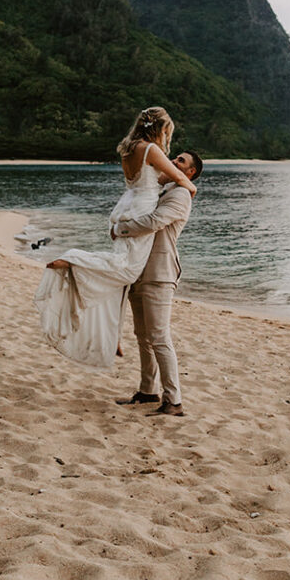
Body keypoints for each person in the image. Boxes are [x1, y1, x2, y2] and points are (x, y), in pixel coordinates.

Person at [33, 107, 196, 369]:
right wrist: (192, 188)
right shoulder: (151, 150)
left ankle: (112, 335)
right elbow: (176, 176)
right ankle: (74, 260)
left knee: (121, 268)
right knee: (127, 269)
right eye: (167, 132)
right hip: (141, 210)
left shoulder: (130, 150)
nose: (167, 138)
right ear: (160, 129)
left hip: (127, 207)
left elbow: (154, 178)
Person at [114, 151, 202, 416]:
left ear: (190, 173)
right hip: (139, 270)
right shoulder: (160, 192)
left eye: (181, 162)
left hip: (160, 273)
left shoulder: (180, 195)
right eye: (174, 158)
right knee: (142, 336)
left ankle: (173, 400)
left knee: (159, 337)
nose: (174, 162)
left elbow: (153, 222)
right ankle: (147, 390)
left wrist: (119, 229)